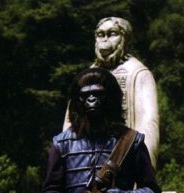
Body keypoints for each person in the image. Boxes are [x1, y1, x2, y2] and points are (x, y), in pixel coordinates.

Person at [63, 16, 159, 168]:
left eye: (112, 34)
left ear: (125, 39)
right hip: (85, 162)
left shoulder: (138, 73)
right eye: (100, 35)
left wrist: (145, 166)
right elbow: (71, 121)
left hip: (123, 160)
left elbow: (148, 123)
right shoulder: (88, 75)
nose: (105, 40)